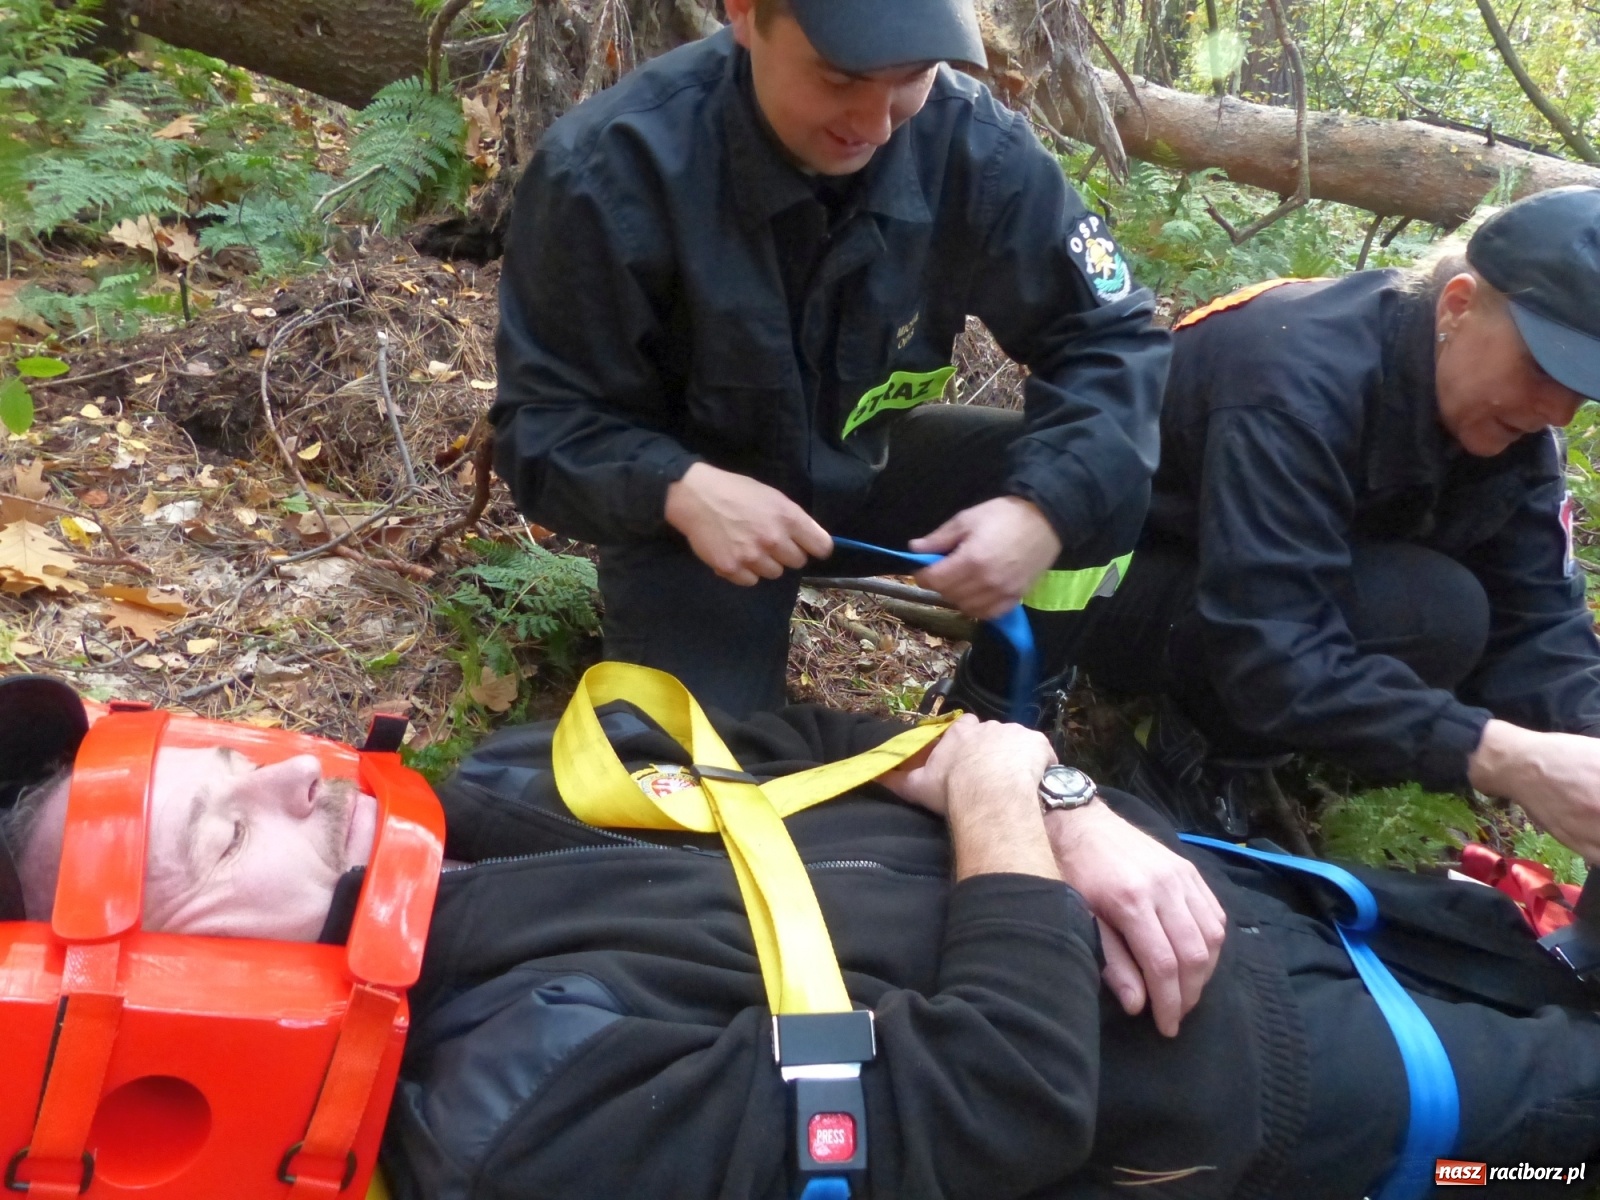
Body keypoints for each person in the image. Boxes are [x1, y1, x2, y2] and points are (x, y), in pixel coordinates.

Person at [3, 674, 1598, 1199]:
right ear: (176, 996)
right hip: (1282, 1082)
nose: (288, 771)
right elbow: (999, 1098)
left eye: (230, 755)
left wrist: (1043, 784)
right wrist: (998, 794)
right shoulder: (505, 1114)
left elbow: (814, 732)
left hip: (1252, 897)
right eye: (227, 831)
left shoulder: (478, 801)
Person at [491, 0, 1170, 719]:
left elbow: (1112, 339)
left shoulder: (973, 146)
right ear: (746, 16)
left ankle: (1000, 710)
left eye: (912, 77)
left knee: (1099, 475)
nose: (877, 125)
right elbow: (543, 426)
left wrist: (1041, 509)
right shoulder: (609, 170)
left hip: (867, 476)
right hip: (701, 526)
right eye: (841, 78)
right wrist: (678, 489)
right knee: (705, 779)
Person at [1068, 186, 1600, 858]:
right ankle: (1181, 756)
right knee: (1434, 611)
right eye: (1544, 369)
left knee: (1447, 611)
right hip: (1109, 585)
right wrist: (1502, 756)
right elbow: (1268, 651)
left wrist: (1588, 744)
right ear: (1459, 305)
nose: (1558, 411)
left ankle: (1284, 741)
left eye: (1580, 392)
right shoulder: (1296, 381)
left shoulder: (1511, 425)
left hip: (1260, 588)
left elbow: (1541, 615)